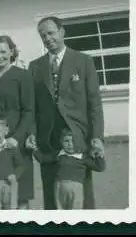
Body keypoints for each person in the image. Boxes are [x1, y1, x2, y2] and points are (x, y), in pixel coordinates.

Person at [28, 16, 105, 210]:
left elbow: (94, 103)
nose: (47, 38)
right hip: (48, 139)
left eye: (51, 33)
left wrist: (97, 137)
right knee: (51, 196)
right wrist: (32, 133)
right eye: (42, 35)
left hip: (77, 137)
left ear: (62, 32)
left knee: (81, 195)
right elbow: (32, 105)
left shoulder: (83, 61)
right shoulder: (35, 66)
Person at [0, 35, 35, 209]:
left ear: (11, 51)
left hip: (15, 140)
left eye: (3, 51)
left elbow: (29, 110)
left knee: (20, 194)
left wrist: (17, 137)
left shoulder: (22, 76)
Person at [28, 129, 106, 209]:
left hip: (77, 189)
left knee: (75, 212)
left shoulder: (82, 157)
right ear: (61, 142)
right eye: (66, 141)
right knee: (60, 211)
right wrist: (34, 149)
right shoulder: (59, 154)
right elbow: (42, 159)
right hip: (59, 187)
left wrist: (99, 155)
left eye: (73, 141)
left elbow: (100, 167)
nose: (70, 144)